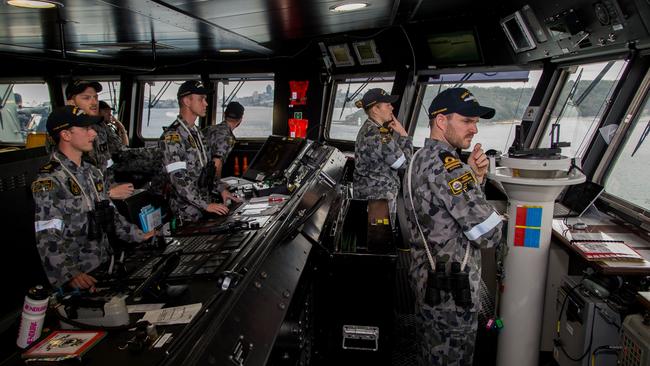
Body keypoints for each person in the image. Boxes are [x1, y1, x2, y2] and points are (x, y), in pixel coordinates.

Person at [402, 87, 503, 366]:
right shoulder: (451, 169)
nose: (474, 130)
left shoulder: (419, 159)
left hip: (426, 279)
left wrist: (474, 177)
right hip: (452, 295)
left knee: (430, 353)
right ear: (441, 121)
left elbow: (444, 213)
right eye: (467, 121)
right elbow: (489, 234)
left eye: (476, 122)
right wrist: (474, 184)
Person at [32, 106, 155, 289]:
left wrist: (140, 236)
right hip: (79, 274)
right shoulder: (50, 180)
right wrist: (69, 274)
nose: (93, 134)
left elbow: (111, 214)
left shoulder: (92, 172)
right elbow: (47, 234)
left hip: (104, 264)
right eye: (86, 129)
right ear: (66, 135)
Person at [159, 80, 229, 223]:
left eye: (205, 99)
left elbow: (207, 169)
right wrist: (206, 205)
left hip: (204, 208)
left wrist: (221, 189)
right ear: (187, 101)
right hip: (186, 215)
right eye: (201, 99)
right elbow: (179, 181)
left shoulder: (196, 133)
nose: (206, 103)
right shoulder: (172, 137)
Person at [65, 80, 134, 200]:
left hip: (106, 193)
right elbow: (69, 186)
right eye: (86, 98)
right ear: (71, 103)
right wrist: (108, 194)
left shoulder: (99, 127)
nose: (94, 102)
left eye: (95, 98)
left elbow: (115, 157)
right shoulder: (65, 133)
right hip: (88, 202)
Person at [353, 88, 412, 224]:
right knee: (379, 239)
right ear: (375, 109)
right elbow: (403, 163)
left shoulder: (368, 128)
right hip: (379, 198)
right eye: (387, 104)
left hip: (370, 195)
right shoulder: (379, 134)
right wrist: (404, 135)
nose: (392, 107)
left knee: (370, 236)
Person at [203, 101, 244, 202]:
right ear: (240, 119)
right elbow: (216, 163)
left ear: (225, 114)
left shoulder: (209, 129)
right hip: (204, 183)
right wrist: (219, 187)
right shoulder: (227, 137)